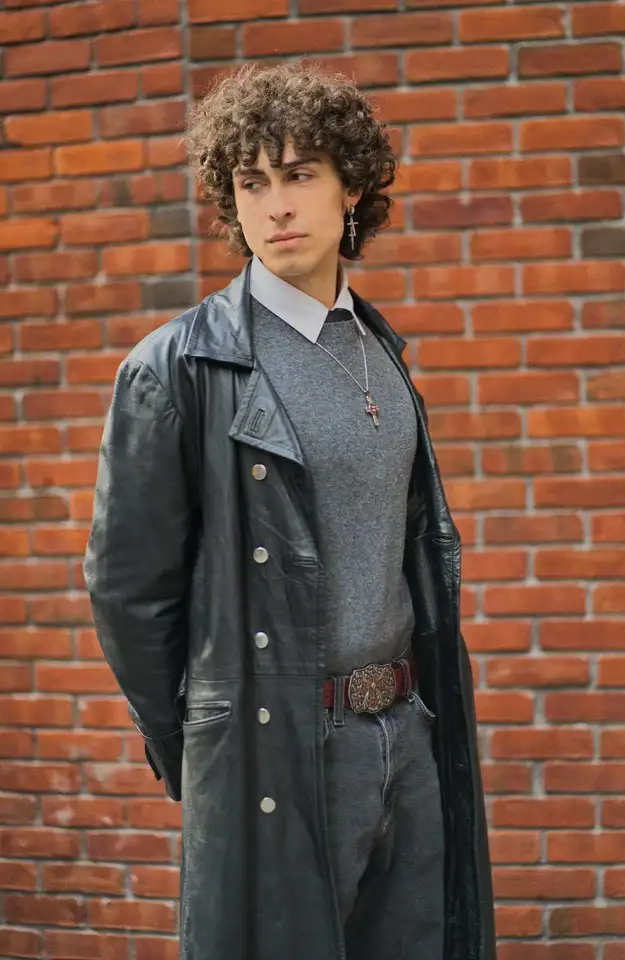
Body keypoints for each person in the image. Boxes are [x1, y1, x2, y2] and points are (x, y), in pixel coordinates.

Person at [83, 59, 496, 960]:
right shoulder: (178, 369)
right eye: (252, 183)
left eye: (299, 174)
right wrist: (209, 749)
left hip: (406, 737)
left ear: (353, 189)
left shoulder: (379, 349)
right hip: (280, 753)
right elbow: (128, 593)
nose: (275, 206)